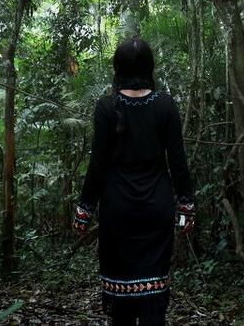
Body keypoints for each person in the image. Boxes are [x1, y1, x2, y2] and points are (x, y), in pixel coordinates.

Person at [73, 36, 194, 326]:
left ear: (118, 67)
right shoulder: (165, 105)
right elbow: (177, 162)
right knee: (154, 296)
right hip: (157, 209)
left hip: (118, 211)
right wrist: (186, 208)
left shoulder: (106, 107)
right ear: (149, 67)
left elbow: (97, 165)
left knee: (122, 301)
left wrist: (83, 212)